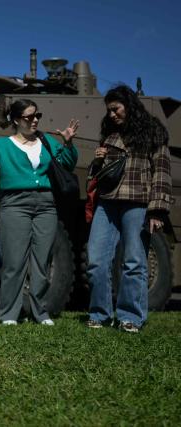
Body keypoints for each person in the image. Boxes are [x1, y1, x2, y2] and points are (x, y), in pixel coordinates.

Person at [0, 99, 79, 325]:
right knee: (14, 262)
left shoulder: (47, 141)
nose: (35, 120)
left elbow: (67, 163)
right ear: (16, 120)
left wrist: (68, 144)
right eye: (29, 117)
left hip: (46, 204)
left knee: (42, 261)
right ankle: (9, 314)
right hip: (14, 205)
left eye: (37, 115)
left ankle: (40, 312)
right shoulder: (2, 145)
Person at [86, 85, 171, 333]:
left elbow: (162, 172)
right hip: (107, 202)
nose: (112, 114)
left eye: (116, 108)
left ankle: (130, 317)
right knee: (96, 260)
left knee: (134, 262)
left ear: (129, 105)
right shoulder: (109, 135)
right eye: (109, 110)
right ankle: (99, 314)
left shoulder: (153, 132)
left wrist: (157, 210)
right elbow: (98, 175)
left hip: (138, 203)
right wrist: (98, 160)